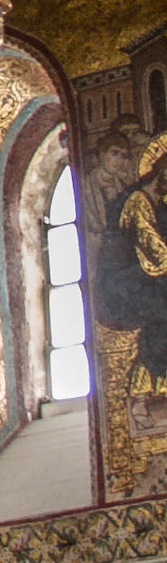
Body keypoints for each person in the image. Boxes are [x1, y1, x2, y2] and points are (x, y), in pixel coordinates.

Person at [91, 133, 167, 386]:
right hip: (120, 284)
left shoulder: (160, 203)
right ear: (162, 172)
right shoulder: (137, 201)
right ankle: (141, 392)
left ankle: (145, 390)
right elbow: (153, 248)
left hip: (146, 277)